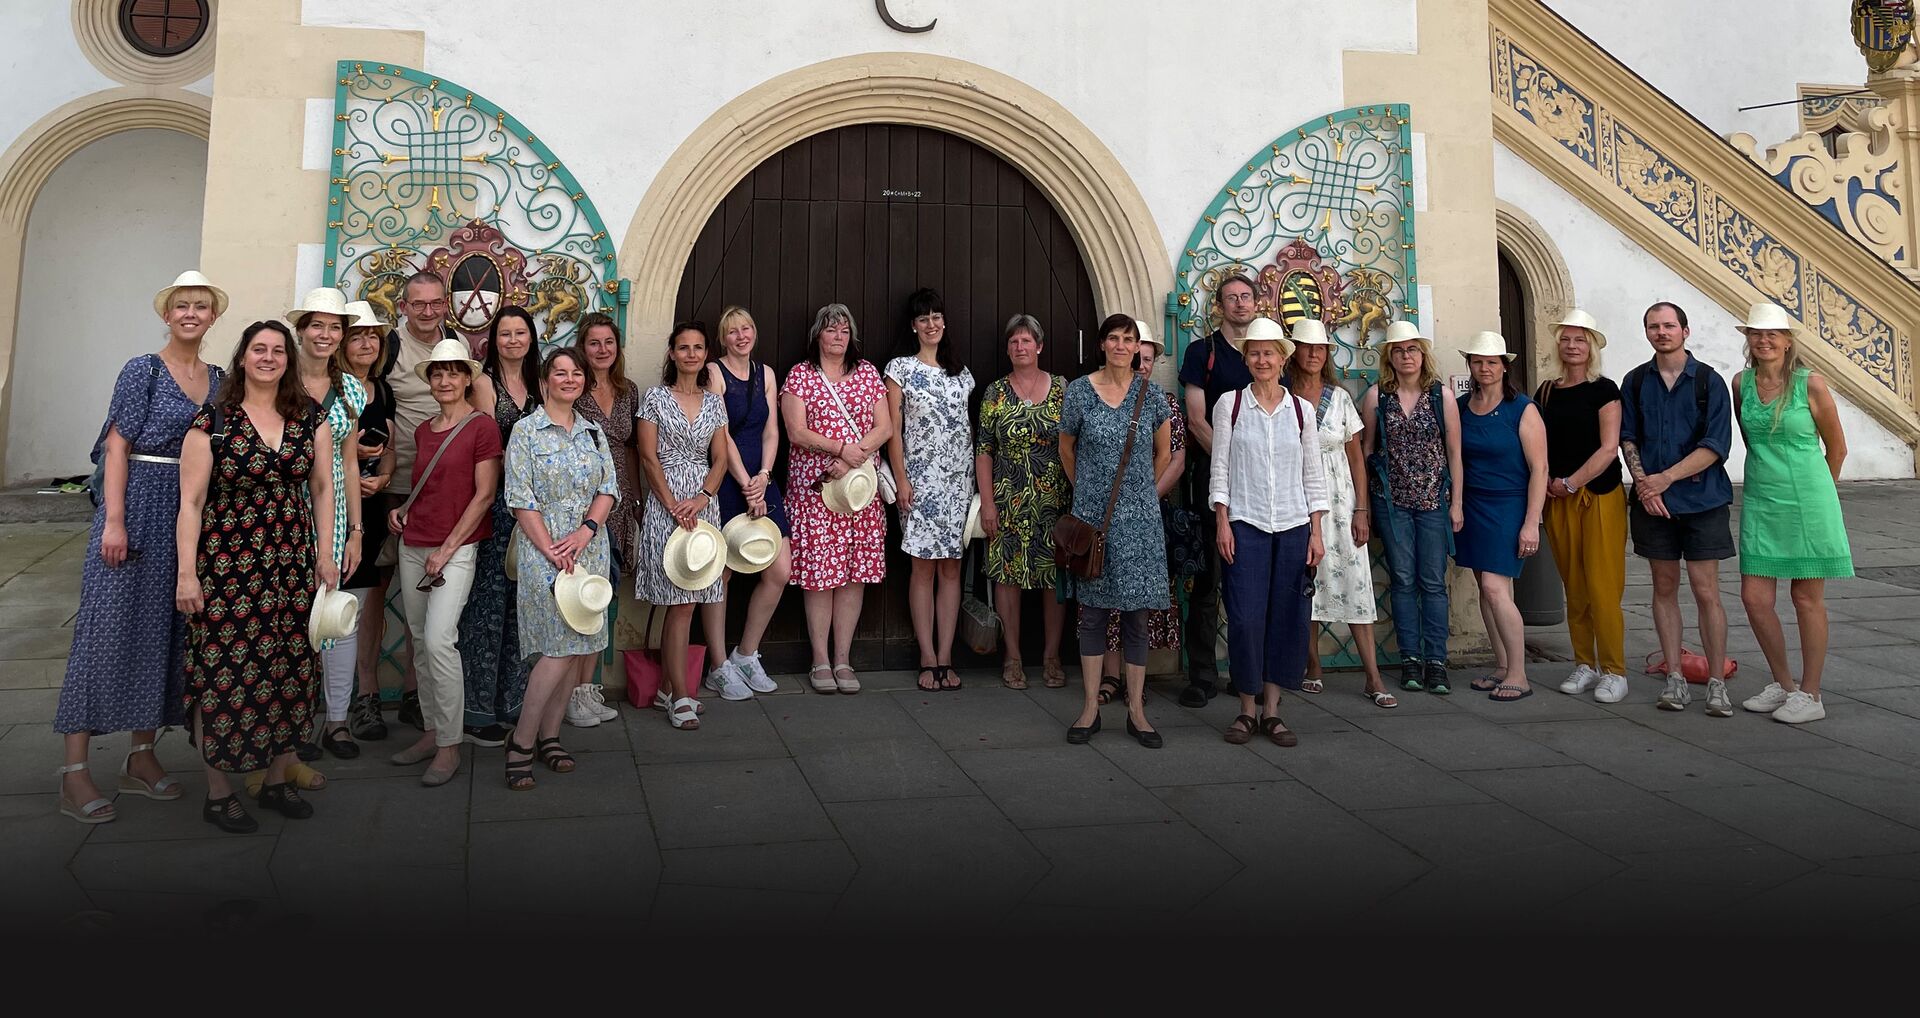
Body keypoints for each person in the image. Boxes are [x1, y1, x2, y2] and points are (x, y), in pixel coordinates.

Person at [53, 271, 226, 825]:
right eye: (182, 306)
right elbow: (118, 445)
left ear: (212, 317)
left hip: (188, 512)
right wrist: (115, 520)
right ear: (167, 314)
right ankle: (74, 773)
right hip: (139, 507)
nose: (191, 314)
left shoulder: (219, 378)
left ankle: (140, 756)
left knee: (164, 634)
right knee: (106, 632)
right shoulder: (142, 370)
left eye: (201, 306)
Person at [176, 320, 337, 833]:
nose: (268, 357)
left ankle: (274, 780)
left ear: (288, 361)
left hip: (290, 568)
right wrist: (186, 574)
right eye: (257, 349)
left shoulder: (308, 416)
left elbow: (323, 489)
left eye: (277, 351)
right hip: (225, 570)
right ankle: (219, 792)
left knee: (291, 672)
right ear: (243, 357)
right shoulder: (214, 420)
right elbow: (192, 503)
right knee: (220, 674)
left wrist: (325, 554)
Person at [502, 349, 619, 789]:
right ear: (545, 381)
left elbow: (608, 488)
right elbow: (520, 497)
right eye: (560, 373)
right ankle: (522, 742)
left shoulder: (593, 433)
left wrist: (586, 533)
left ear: (584, 382)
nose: (568, 379)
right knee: (555, 650)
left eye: (576, 374)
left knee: (575, 648)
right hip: (543, 552)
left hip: (588, 552)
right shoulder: (525, 431)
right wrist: (553, 549)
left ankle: (550, 737)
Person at [1732, 303, 1852, 724]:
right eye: (1756, 333)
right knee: (1754, 598)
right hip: (1763, 499)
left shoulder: (1810, 384)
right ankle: (1784, 685)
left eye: (1772, 334)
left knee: (1806, 598)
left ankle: (1812, 694)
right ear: (1748, 338)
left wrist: (1821, 494)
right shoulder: (1740, 383)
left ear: (1787, 341)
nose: (1763, 340)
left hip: (1809, 499)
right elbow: (1751, 439)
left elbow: (1837, 449)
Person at [387, 340, 500, 785]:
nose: (445, 381)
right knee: (418, 638)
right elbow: (428, 488)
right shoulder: (423, 430)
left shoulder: (482, 427)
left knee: (438, 641)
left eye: (453, 372)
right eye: (437, 373)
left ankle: (450, 745)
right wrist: (403, 512)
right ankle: (432, 732)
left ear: (467, 378)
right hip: (414, 541)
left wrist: (447, 548)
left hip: (455, 549)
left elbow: (484, 495)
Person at [1211, 317, 1327, 745]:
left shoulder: (1302, 410)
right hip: (1246, 523)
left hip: (1294, 526)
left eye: (1270, 352)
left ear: (1283, 358)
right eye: (1254, 352)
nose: (1262, 359)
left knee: (1287, 618)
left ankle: (1273, 711)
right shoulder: (1230, 405)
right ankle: (1246, 708)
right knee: (1244, 618)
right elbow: (1219, 467)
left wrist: (1316, 531)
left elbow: (1313, 475)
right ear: (1246, 358)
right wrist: (1222, 520)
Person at [1060, 314, 1173, 749]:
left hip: (1140, 520)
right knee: (1092, 613)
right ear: (1103, 344)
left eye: (1130, 339)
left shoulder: (1152, 395)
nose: (1122, 345)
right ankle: (1090, 707)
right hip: (1094, 519)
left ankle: (1137, 710)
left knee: (1136, 616)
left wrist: (1138, 491)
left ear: (1136, 346)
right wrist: (1088, 489)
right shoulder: (1079, 392)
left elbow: (1163, 452)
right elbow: (1066, 448)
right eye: (1114, 338)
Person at [1622, 301, 1736, 717]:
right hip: (1654, 505)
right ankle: (1674, 676)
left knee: (1707, 593)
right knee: (1663, 589)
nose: (1661, 332)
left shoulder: (1709, 381)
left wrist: (1663, 479)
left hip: (1702, 500)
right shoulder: (1635, 382)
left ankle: (1717, 683)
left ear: (1685, 331)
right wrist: (1645, 486)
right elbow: (1629, 437)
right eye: (1653, 326)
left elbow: (1715, 446)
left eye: (1669, 325)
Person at [781, 303, 893, 695]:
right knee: (819, 577)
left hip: (859, 494)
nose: (838, 336)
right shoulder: (800, 376)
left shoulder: (867, 374)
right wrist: (841, 449)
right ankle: (820, 660)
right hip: (816, 494)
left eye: (845, 330)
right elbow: (796, 432)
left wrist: (853, 456)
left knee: (852, 577)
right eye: (831, 330)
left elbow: (885, 426)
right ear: (818, 335)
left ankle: (843, 658)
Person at [1287, 320, 1394, 707]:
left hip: (1339, 501)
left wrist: (1361, 509)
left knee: (1356, 583)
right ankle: (1312, 666)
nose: (1314, 353)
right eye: (1307, 346)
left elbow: (1356, 459)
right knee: (1307, 585)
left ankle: (1373, 676)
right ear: (1294, 351)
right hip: (1297, 501)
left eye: (1321, 348)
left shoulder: (1341, 397)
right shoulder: (1283, 396)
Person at [635, 322, 731, 730]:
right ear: (671, 353)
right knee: (679, 602)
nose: (690, 354)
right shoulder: (656, 397)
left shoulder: (714, 402)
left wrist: (702, 498)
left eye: (697, 348)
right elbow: (647, 456)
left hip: (702, 508)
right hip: (666, 505)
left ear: (705, 354)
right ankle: (680, 694)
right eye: (682, 347)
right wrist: (673, 503)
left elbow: (722, 459)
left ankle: (668, 688)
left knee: (693, 598)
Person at [1361, 320, 1463, 693]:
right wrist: (1366, 504)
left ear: (1423, 354)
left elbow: (1455, 451)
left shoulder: (1441, 396)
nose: (1407, 356)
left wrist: (1458, 503)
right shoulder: (1378, 397)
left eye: (1413, 349)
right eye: (1400, 350)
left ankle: (1436, 660)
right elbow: (1368, 449)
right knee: (1403, 581)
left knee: (1433, 582)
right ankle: (1410, 660)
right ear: (1390, 356)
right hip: (1393, 501)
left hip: (1434, 499)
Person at [885, 288, 976, 692]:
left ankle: (946, 654)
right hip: (919, 482)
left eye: (937, 316)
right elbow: (893, 430)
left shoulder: (962, 373)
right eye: (924, 318)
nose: (932, 324)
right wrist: (901, 478)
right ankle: (926, 655)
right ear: (913, 326)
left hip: (957, 483)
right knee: (922, 567)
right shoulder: (900, 369)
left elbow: (966, 430)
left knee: (952, 567)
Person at [1535, 310, 1629, 703]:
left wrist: (1573, 481)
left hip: (1598, 496)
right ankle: (1584, 663)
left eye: (1580, 339)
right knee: (1573, 584)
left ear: (1591, 346)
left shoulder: (1604, 390)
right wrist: (1548, 485)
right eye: (1566, 339)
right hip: (1557, 499)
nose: (1572, 346)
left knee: (1602, 585)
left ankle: (1614, 670)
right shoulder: (1546, 391)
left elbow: (1610, 448)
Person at [457, 306, 541, 745]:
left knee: (521, 609)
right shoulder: (485, 384)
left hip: (536, 514)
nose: (512, 340)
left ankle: (513, 701)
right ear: (494, 340)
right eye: (504, 333)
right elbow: (489, 446)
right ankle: (476, 709)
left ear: (531, 337)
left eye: (520, 332)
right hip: (497, 509)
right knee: (486, 609)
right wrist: (534, 465)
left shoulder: (542, 384)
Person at [290, 288, 367, 760]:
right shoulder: (279, 378)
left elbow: (350, 462)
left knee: (335, 615)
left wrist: (355, 530)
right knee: (290, 621)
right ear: (301, 331)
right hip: (282, 509)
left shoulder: (351, 389)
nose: (326, 334)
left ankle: (336, 721)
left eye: (335, 327)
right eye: (317, 325)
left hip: (335, 510)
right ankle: (293, 722)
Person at [378, 270, 458, 731]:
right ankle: (366, 693)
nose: (427, 311)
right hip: (398, 486)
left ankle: (415, 692)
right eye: (418, 303)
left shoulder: (457, 348)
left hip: (448, 491)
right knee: (380, 594)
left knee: (432, 600)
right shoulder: (389, 347)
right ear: (403, 306)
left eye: (434, 303)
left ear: (445, 304)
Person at [974, 313, 1069, 690]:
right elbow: (983, 449)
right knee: (1007, 580)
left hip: (1054, 501)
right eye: (1014, 342)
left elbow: (1076, 444)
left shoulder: (1063, 388)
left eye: (1026, 341)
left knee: (1053, 579)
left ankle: (1051, 656)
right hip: (1008, 501)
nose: (1019, 347)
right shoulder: (995, 393)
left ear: (1040, 346)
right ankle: (1012, 656)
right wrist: (987, 503)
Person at [1453, 332, 1549, 702]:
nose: (1484, 368)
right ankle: (1502, 665)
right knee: (1487, 589)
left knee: (1495, 588)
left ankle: (1519, 674)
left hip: (1508, 506)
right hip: (1473, 505)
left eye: (1492, 362)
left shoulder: (1523, 409)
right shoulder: (1462, 406)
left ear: (1504, 366)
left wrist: (1531, 522)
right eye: (1478, 361)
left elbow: (1539, 468)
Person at [1177, 274, 1257, 706]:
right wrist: (1232, 465)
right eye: (1232, 298)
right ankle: (1203, 676)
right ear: (1220, 306)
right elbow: (1195, 419)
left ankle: (1249, 674)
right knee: (1207, 584)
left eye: (1246, 297)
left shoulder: (1269, 352)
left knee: (1251, 584)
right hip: (1214, 481)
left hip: (1264, 490)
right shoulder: (1202, 352)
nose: (1240, 304)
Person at [700, 305, 789, 698]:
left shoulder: (766, 374)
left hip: (761, 476)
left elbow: (772, 431)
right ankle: (718, 665)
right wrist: (744, 483)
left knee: (779, 569)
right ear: (723, 338)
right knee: (722, 571)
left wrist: (765, 476)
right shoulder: (714, 374)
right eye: (733, 331)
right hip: (726, 478)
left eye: (747, 328)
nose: (741, 335)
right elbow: (721, 434)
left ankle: (746, 654)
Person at [1096, 326, 1185, 700]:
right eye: (1139, 356)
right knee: (1108, 594)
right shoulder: (1104, 395)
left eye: (1148, 359)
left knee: (1140, 599)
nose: (1142, 363)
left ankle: (1137, 681)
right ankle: (1110, 677)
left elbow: (1176, 457)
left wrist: (1145, 496)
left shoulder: (1164, 402)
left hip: (1147, 512)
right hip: (1107, 510)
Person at [564, 312, 635, 728]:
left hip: (619, 506)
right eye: (594, 343)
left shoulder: (628, 392)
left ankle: (588, 689)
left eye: (609, 342)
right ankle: (571, 693)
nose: (602, 350)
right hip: (582, 511)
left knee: (603, 601)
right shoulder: (572, 387)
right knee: (579, 602)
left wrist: (638, 504)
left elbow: (628, 451)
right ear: (582, 347)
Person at [339, 301, 397, 744]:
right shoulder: (330, 388)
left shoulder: (382, 389)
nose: (365, 342)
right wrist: (349, 459)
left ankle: (365, 696)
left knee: (369, 599)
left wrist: (384, 477)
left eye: (373, 336)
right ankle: (327, 707)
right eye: (357, 334)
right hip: (333, 505)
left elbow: (391, 444)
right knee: (332, 602)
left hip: (372, 506)